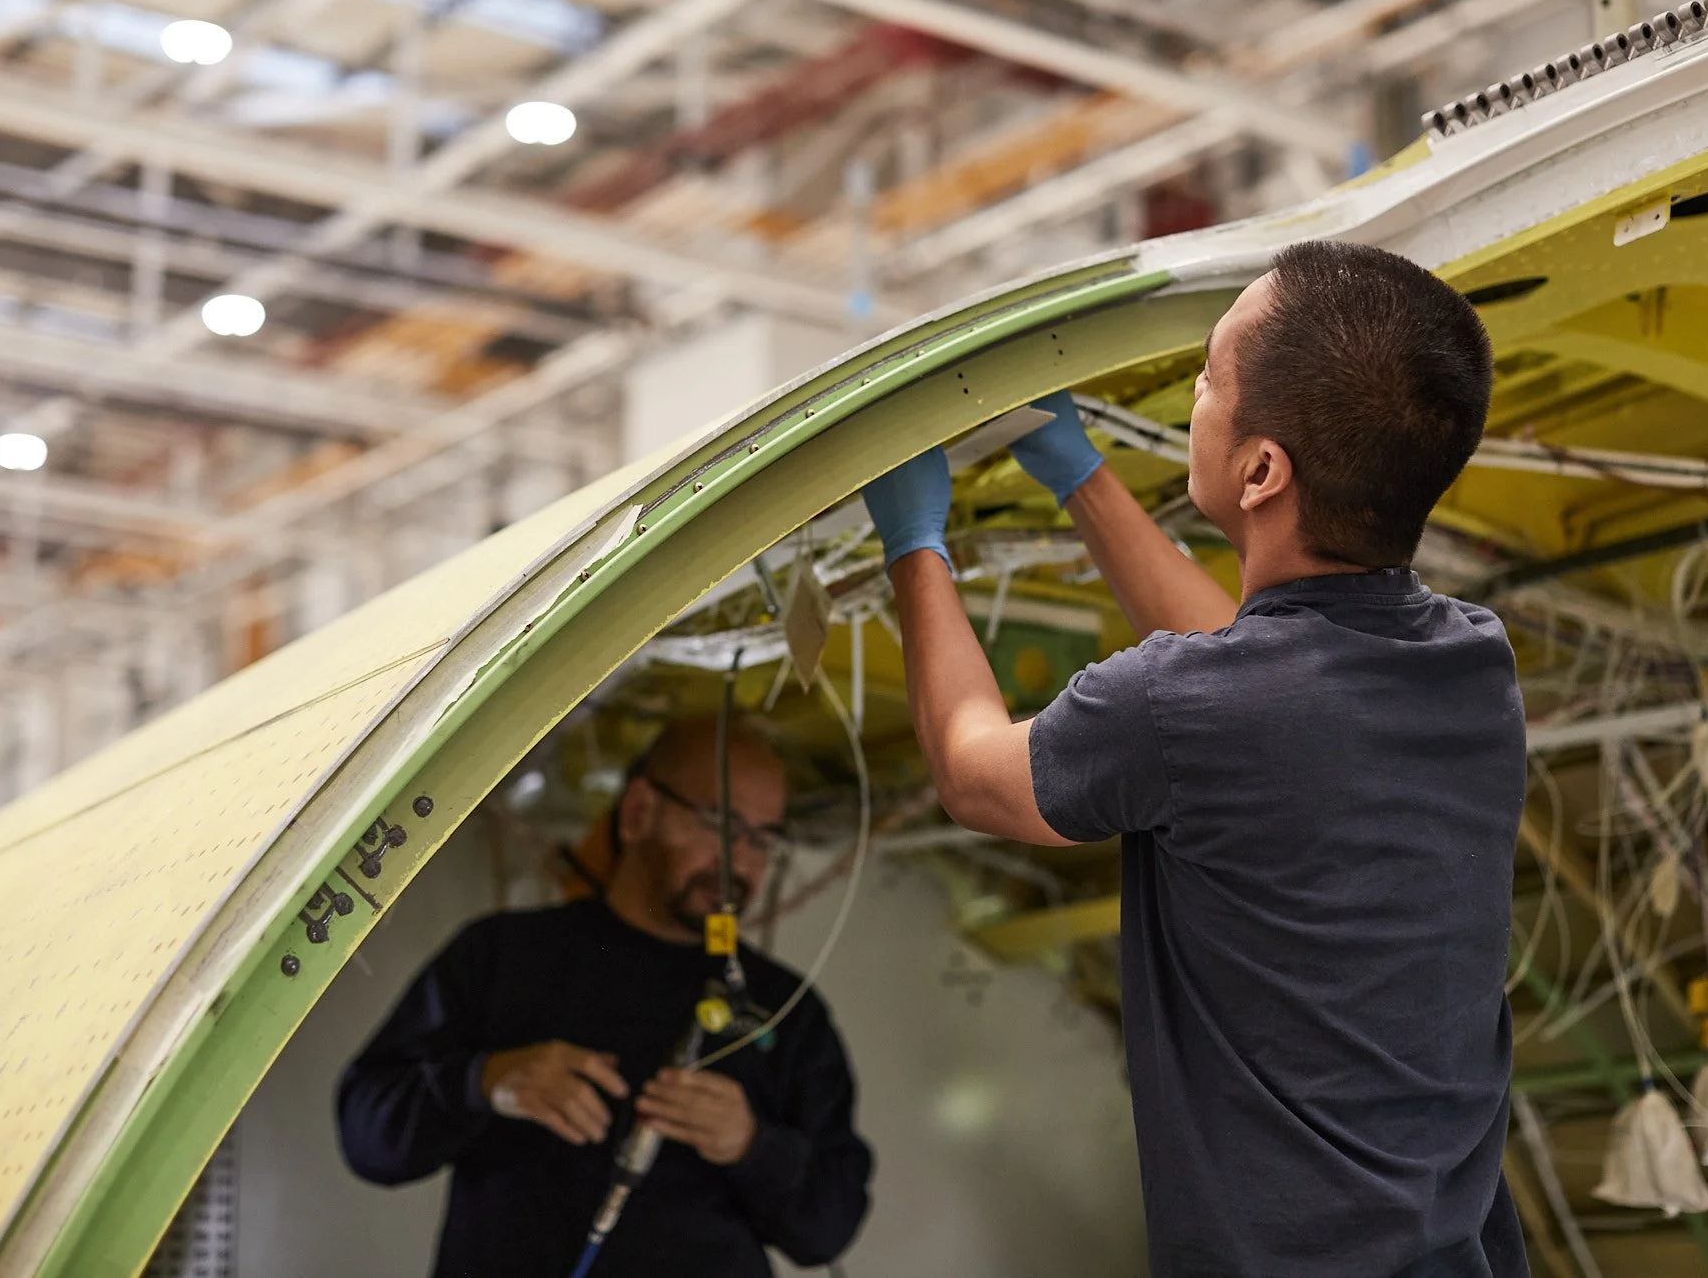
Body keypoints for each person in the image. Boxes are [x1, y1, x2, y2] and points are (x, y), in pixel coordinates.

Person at [861, 241, 1525, 1278]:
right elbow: (1247, 673)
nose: (1194, 398)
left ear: (1261, 469)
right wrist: (1079, 479)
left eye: (1209, 379)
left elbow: (972, 771)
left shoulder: (1186, 708)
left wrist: (913, 541)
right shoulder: (1470, 664)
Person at [337, 718, 873, 1278]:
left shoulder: (786, 1009)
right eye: (720, 824)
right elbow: (366, 1136)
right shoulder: (505, 956)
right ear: (640, 810)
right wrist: (486, 1082)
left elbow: (829, 1230)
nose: (740, 862)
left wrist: (752, 1146)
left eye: (763, 839)